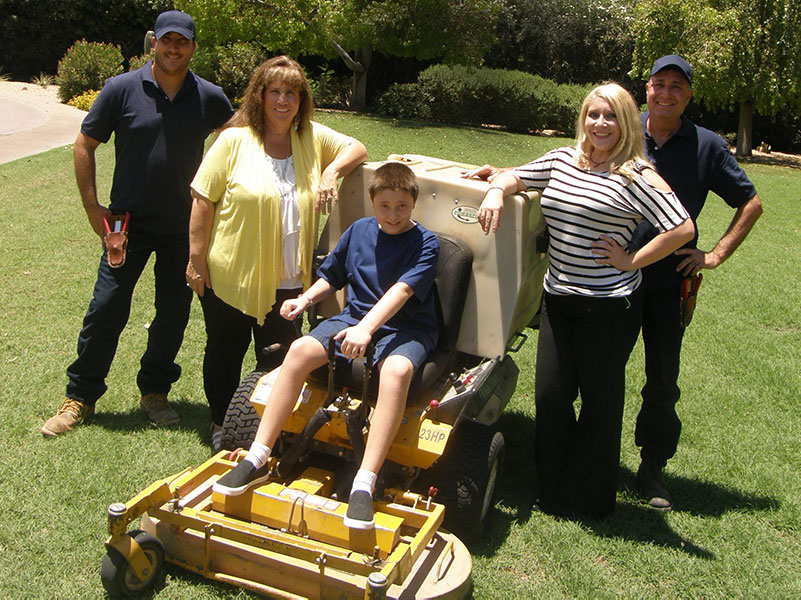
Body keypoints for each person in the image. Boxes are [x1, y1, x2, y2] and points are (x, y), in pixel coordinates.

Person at [476, 83, 694, 518]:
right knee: (552, 397)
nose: (600, 124)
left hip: (609, 308)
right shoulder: (562, 159)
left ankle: (591, 499)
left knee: (600, 403)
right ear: (583, 118)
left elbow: (682, 228)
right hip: (558, 301)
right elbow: (516, 175)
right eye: (593, 114)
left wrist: (632, 259)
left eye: (611, 116)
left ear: (626, 122)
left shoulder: (637, 174)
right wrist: (497, 190)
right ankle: (552, 490)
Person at [212, 162, 439, 529]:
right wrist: (304, 300)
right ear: (371, 201)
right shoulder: (358, 231)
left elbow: (401, 292)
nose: (393, 214)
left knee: (396, 371)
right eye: (385, 206)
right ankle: (257, 455)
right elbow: (331, 277)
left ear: (413, 204)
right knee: (299, 350)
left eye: (401, 206)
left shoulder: (426, 243)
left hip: (407, 326)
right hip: (355, 318)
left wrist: (365, 330)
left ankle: (365, 482)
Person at [41, 10, 233, 437]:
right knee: (106, 307)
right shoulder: (121, 89)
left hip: (184, 228)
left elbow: (238, 136)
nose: (173, 48)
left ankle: (155, 392)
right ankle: (80, 397)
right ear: (153, 43)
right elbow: (83, 144)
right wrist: (93, 209)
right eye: (166, 40)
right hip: (125, 227)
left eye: (182, 41)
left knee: (172, 312)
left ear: (192, 47)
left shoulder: (208, 96)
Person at [186, 56, 367, 452]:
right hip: (231, 275)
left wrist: (331, 171)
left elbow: (358, 148)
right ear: (260, 96)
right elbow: (202, 200)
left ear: (301, 100)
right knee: (224, 352)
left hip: (290, 283)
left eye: (292, 93)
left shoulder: (311, 139)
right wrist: (196, 261)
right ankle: (221, 422)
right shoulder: (233, 141)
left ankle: (267, 429)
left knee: (282, 358)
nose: (283, 101)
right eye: (275, 92)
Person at [632, 55, 762, 510]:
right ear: (646, 89)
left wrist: (715, 253)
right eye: (659, 84)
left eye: (677, 87)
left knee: (663, 379)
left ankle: (652, 468)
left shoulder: (707, 146)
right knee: (599, 371)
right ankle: (591, 457)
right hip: (614, 274)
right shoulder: (623, 130)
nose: (666, 93)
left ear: (688, 95)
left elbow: (751, 203)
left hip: (671, 281)